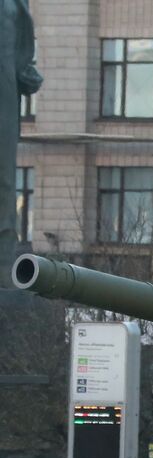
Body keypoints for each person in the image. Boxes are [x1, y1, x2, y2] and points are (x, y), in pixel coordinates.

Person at [0, 0, 42, 275]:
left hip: (4, 97)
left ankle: (3, 266)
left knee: (3, 181)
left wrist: (26, 72)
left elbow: (23, 56)